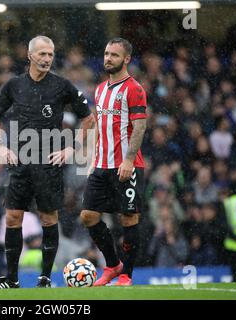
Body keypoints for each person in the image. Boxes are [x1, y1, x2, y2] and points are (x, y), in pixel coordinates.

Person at [0, 35, 94, 289]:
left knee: (48, 219)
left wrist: (71, 148)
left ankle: (44, 279)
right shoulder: (14, 85)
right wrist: (0, 146)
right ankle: (11, 281)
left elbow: (88, 119)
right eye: (42, 54)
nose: (47, 59)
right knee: (13, 218)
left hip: (48, 164)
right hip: (21, 164)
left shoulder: (62, 86)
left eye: (51, 54)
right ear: (30, 55)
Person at [80, 38, 148, 286]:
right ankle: (112, 264)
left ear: (127, 59)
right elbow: (100, 126)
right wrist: (92, 158)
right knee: (88, 215)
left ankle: (126, 275)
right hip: (101, 164)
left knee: (128, 218)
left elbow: (140, 126)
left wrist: (129, 160)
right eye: (107, 53)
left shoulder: (134, 88)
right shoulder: (99, 90)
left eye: (114, 55)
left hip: (126, 165)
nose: (108, 58)